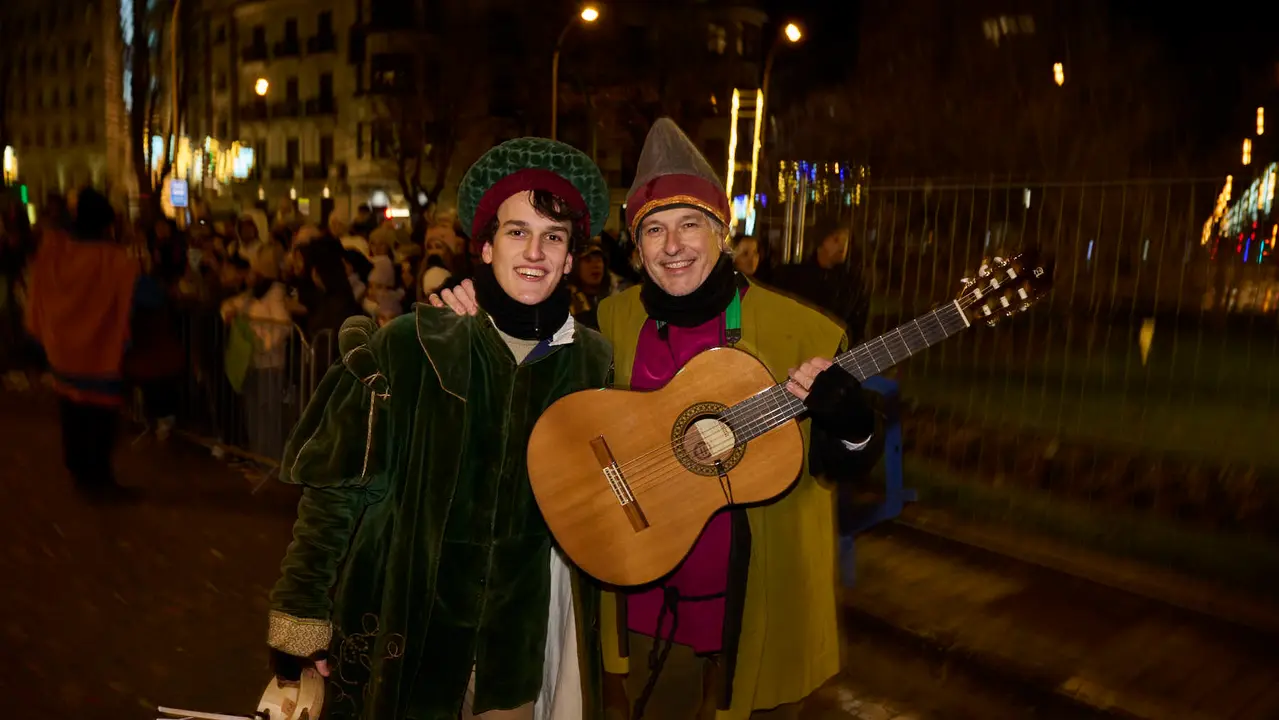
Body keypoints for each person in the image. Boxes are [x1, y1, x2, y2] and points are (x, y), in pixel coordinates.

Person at [431, 118, 881, 719]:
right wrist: (474, 306)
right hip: (636, 603)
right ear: (636, 250)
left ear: (722, 233)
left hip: (753, 606)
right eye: (654, 230)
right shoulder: (609, 324)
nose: (673, 246)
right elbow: (529, 377)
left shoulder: (803, 333)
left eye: (690, 225)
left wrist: (853, 425)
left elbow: (840, 465)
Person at [266, 137, 615, 720]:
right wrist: (300, 620)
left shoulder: (591, 361)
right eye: (517, 232)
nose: (535, 251)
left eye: (553, 237)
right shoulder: (415, 343)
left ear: (571, 257)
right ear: (484, 246)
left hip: (517, 650)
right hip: (406, 635)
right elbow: (334, 492)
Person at [24, 188, 153, 500]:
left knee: (72, 415)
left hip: (63, 353)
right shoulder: (115, 261)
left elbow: (38, 288)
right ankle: (98, 480)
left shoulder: (56, 253)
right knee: (99, 421)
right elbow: (143, 295)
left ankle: (79, 472)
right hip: (99, 357)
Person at [769, 220, 871, 345]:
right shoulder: (793, 276)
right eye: (836, 240)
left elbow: (858, 325)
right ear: (821, 242)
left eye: (846, 241)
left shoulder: (853, 283)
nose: (842, 246)